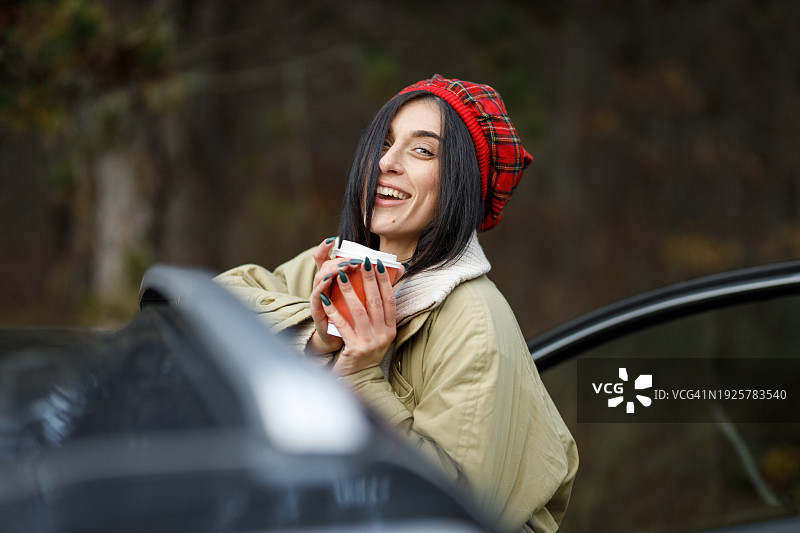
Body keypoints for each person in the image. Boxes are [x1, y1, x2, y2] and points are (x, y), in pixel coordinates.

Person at [215, 74, 578, 533]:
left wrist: (361, 373)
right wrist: (319, 335)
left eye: (422, 150)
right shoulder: (335, 266)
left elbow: (451, 511)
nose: (386, 161)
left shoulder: (475, 322)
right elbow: (211, 303)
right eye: (384, 143)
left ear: (462, 185)